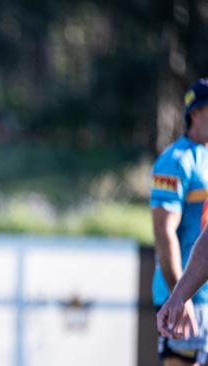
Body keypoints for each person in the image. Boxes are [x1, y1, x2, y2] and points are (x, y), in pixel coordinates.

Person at [150, 78, 208, 366]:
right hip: (184, 297)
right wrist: (179, 295)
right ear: (195, 112)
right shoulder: (175, 161)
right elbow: (164, 232)